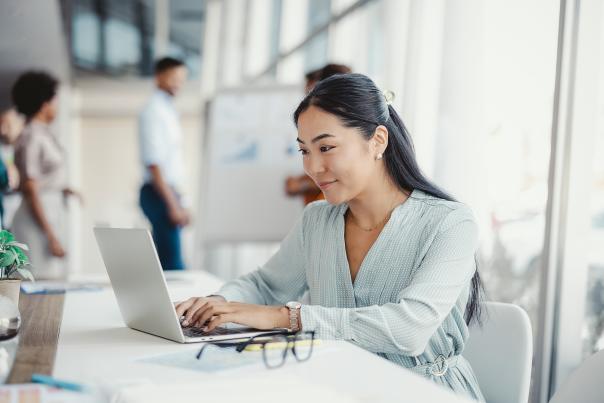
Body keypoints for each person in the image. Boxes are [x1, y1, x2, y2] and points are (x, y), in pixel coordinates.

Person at [175, 74, 485, 401]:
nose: (313, 167)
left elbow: (409, 329)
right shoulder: (317, 219)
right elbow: (266, 285)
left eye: (326, 147)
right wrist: (219, 303)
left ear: (378, 140)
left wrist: (288, 317)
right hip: (339, 387)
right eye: (304, 151)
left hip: (422, 393)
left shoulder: (450, 223)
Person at [10, 71, 79, 279]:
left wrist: (64, 188)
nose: (56, 106)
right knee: (39, 282)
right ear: (44, 103)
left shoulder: (42, 133)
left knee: (51, 279)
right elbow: (31, 187)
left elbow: (44, 176)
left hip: (49, 209)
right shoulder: (31, 136)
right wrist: (50, 235)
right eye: (54, 100)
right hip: (37, 216)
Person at [139, 57, 189, 271]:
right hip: (159, 193)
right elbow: (155, 163)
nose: (179, 83)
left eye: (182, 78)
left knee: (166, 263)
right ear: (159, 76)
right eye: (174, 77)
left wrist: (182, 202)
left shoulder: (167, 110)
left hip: (168, 193)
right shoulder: (154, 111)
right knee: (173, 266)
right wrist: (173, 205)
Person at [285, 63, 352, 205]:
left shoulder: (347, 126)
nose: (308, 102)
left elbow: (344, 172)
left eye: (310, 93)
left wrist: (302, 185)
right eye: (304, 151)